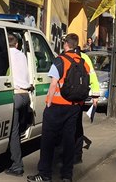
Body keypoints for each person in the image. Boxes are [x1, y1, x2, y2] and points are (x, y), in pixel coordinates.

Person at [27, 33, 91, 182]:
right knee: (69, 141)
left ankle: (44, 174)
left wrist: (48, 102)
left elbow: (53, 84)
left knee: (48, 141)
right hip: (74, 107)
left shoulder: (60, 61)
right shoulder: (83, 62)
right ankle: (67, 175)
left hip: (56, 106)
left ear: (66, 45)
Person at [6, 34, 32, 177]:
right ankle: (14, 156)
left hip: (15, 95)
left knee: (13, 133)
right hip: (25, 95)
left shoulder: (5, 54)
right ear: (17, 45)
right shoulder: (22, 55)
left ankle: (17, 166)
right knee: (20, 129)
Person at [74, 46, 100, 164]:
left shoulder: (63, 56)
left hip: (68, 99)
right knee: (77, 126)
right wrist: (95, 96)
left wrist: (95, 95)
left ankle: (73, 155)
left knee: (73, 127)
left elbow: (92, 75)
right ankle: (77, 155)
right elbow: (93, 76)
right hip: (79, 97)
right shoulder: (84, 57)